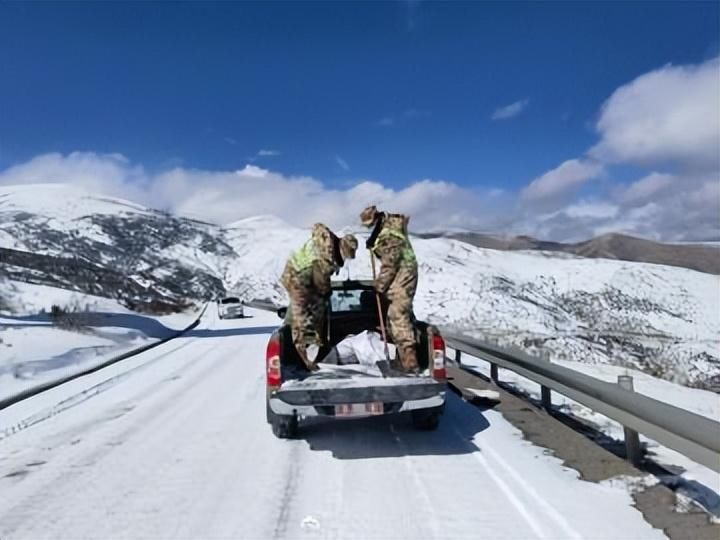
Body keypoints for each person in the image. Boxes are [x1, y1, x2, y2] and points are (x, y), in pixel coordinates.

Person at [281, 223, 358, 370]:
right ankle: (306, 358)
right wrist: (326, 295)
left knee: (315, 309)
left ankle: (316, 346)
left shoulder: (329, 245)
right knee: (302, 318)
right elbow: (322, 285)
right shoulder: (327, 256)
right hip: (296, 278)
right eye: (347, 255)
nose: (346, 258)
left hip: (301, 276)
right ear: (342, 248)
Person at [360, 205, 419, 373]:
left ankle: (409, 363)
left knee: (398, 316)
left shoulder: (388, 236)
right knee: (401, 315)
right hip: (405, 275)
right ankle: (405, 358)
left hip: (402, 277)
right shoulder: (389, 229)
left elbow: (389, 266)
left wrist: (379, 286)